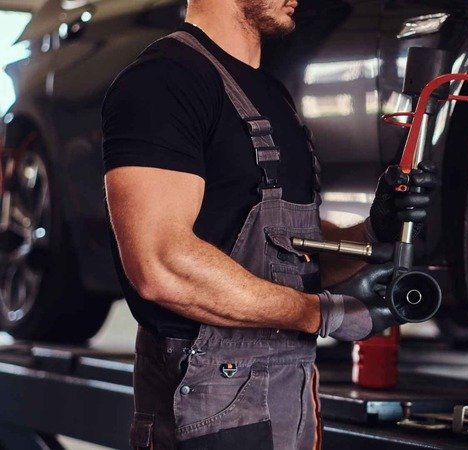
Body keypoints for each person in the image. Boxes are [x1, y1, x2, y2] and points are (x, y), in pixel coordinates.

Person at [101, 0, 438, 448]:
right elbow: (161, 264)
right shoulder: (164, 81)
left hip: (288, 392)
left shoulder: (273, 96)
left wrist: (371, 232)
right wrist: (318, 313)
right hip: (208, 396)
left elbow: (290, 258)